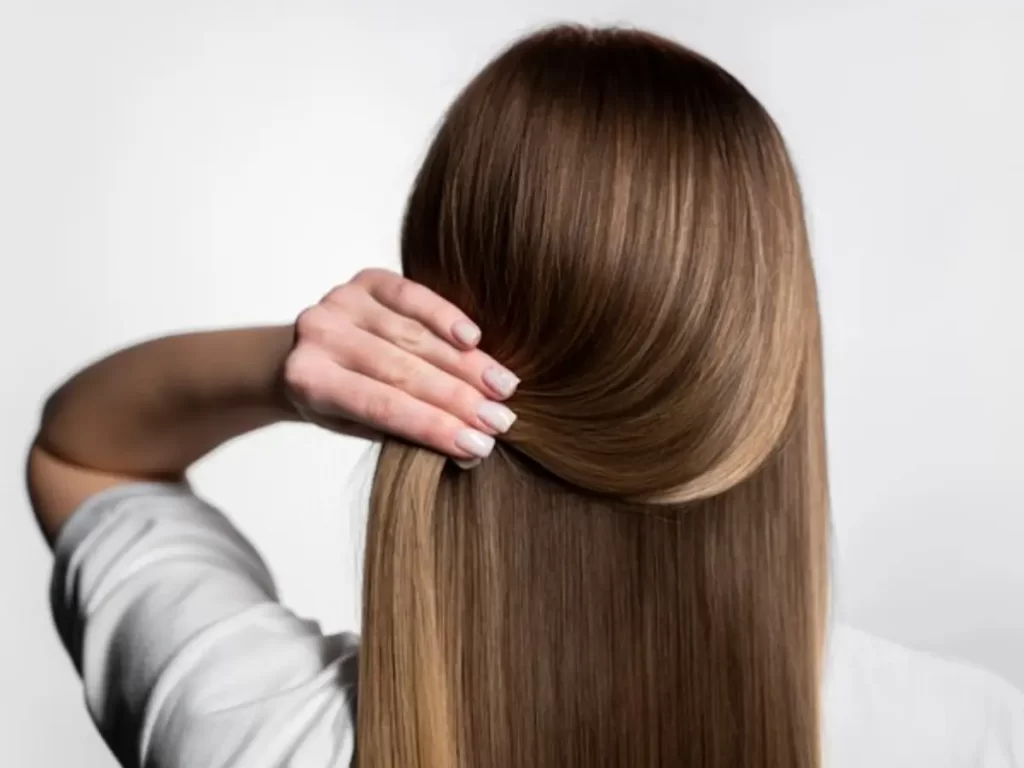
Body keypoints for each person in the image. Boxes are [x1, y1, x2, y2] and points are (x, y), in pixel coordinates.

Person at [27, 24, 1024, 768]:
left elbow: (85, 454)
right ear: (773, 367)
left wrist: (290, 367)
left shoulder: (257, 731)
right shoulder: (968, 736)